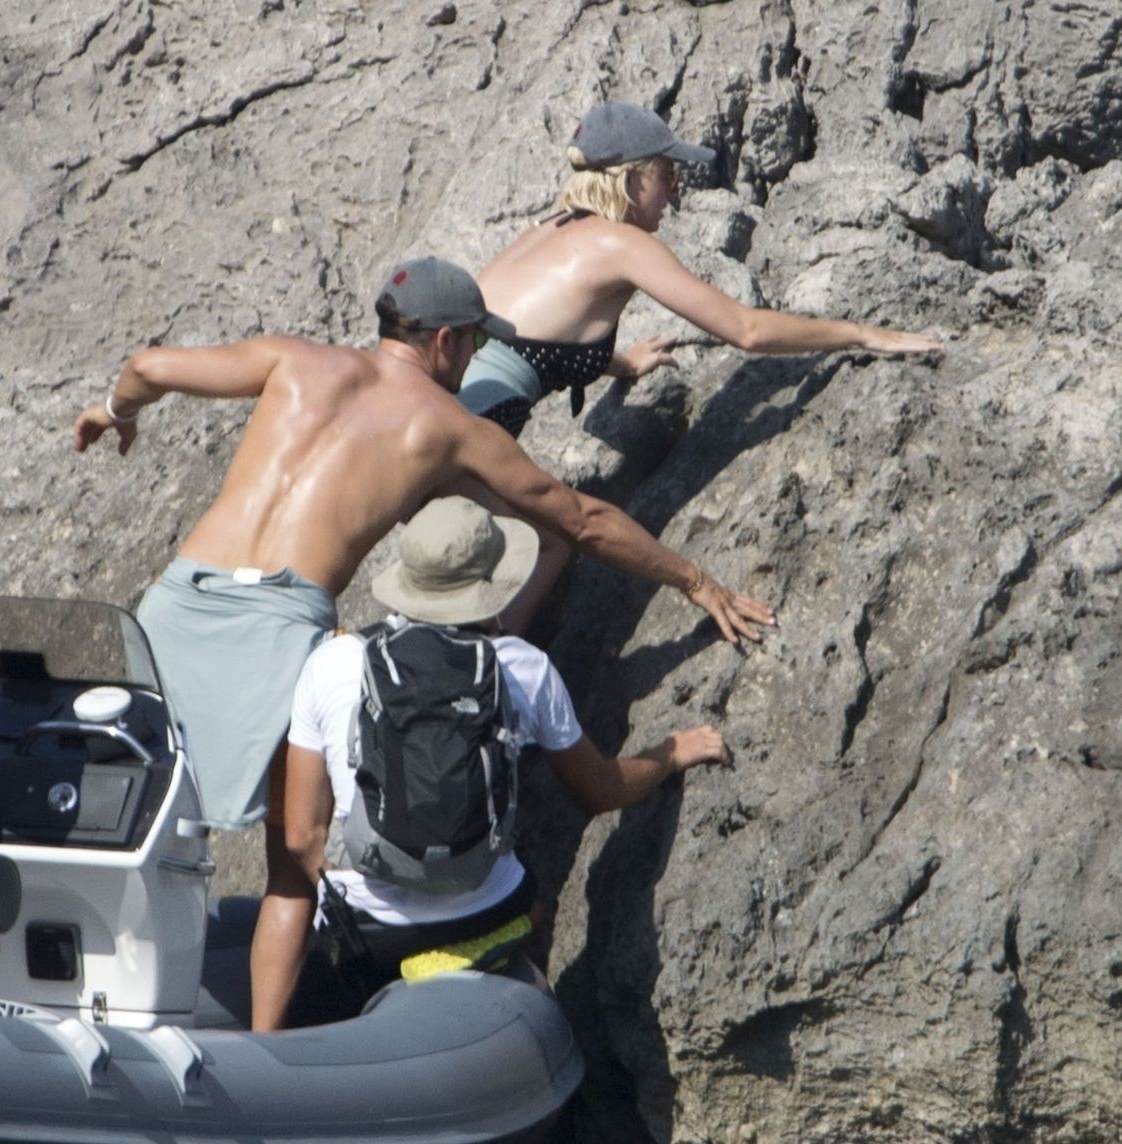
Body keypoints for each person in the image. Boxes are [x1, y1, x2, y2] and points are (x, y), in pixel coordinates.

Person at [70, 256, 773, 1031]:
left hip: (175, 604)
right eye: (475, 343)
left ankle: (87, 993)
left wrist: (115, 412)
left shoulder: (292, 360)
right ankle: (263, 1054)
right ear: (444, 341)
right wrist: (695, 581)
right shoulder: (446, 427)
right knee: (293, 868)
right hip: (277, 622)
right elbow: (581, 520)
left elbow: (147, 367)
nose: (474, 360)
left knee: (143, 817)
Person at [459, 100, 945, 626]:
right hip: (472, 432)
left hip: (438, 407)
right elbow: (747, 330)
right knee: (550, 541)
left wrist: (621, 365)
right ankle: (488, 660)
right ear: (630, 179)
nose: (676, 188)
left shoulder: (546, 227)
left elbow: (532, 335)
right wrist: (860, 334)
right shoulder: (619, 243)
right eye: (667, 173)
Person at [277, 496, 728, 1021]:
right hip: (488, 911)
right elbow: (601, 791)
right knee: (536, 908)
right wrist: (670, 754)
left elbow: (301, 837)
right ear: (490, 585)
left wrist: (371, 897)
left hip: (369, 931)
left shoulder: (332, 662)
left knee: (317, 1009)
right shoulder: (523, 666)